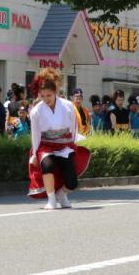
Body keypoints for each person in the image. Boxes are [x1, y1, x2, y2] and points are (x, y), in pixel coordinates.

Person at [27, 67, 90, 210]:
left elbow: (74, 127)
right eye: (42, 96)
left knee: (72, 182)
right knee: (47, 165)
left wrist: (73, 144)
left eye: (48, 95)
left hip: (65, 145)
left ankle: (62, 194)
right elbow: (35, 134)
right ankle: (51, 199)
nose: (46, 99)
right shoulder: (36, 111)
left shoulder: (68, 106)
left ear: (55, 91)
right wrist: (35, 154)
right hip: (46, 145)